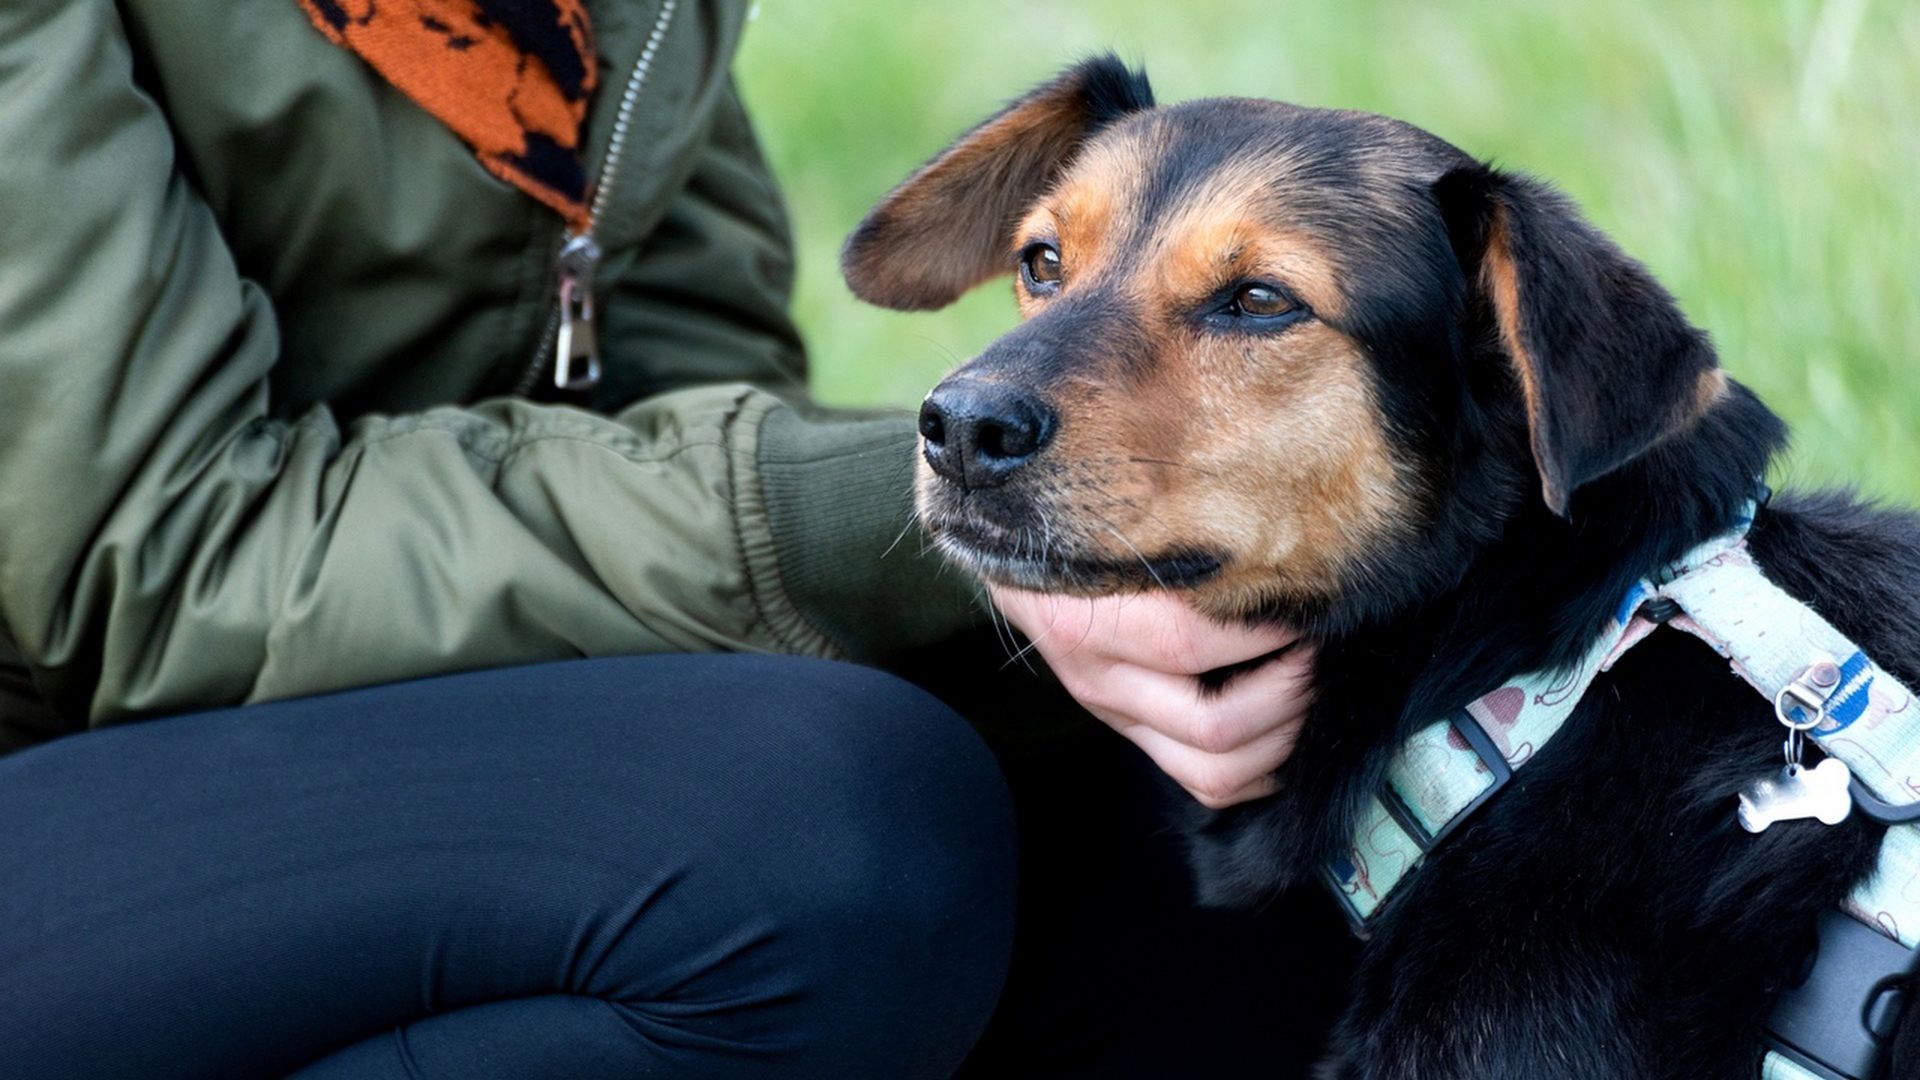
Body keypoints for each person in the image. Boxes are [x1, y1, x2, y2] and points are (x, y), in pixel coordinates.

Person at [0, 0, 1333, 1076]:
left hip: (334, 716)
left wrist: (1079, 592)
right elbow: (162, 558)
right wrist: (924, 511)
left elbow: (688, 386)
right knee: (822, 834)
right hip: (71, 750)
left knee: (1179, 820)